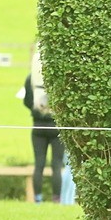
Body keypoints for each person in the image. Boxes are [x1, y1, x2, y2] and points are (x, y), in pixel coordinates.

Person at [22, 44, 65, 203]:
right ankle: (56, 199)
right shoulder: (57, 78)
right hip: (56, 127)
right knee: (57, 165)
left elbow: (27, 101)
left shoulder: (31, 78)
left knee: (39, 164)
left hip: (38, 126)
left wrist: (36, 112)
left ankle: (38, 199)